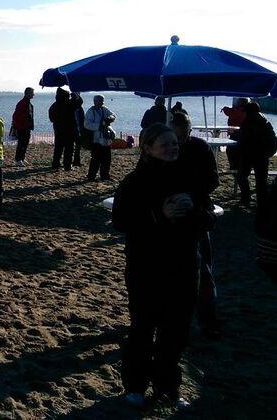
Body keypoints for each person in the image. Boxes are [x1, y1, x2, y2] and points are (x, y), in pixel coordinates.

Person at [111, 123, 215, 411]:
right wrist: (159, 214)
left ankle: (168, 386)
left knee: (176, 332)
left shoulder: (190, 178)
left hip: (183, 265)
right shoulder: (135, 181)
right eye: (165, 144)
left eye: (175, 144)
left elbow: (209, 220)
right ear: (147, 147)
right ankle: (135, 386)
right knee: (142, 329)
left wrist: (193, 210)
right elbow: (121, 221)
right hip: (146, 266)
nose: (172, 148)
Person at [170, 113, 221, 337]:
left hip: (197, 213)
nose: (178, 142)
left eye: (182, 137)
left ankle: (205, 318)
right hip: (172, 214)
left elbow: (213, 180)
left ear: (189, 131)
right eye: (175, 137)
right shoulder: (166, 148)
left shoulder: (200, 148)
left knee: (202, 269)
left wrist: (191, 195)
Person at [237, 101, 276, 207]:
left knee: (257, 181)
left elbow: (272, 141)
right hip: (253, 155)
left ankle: (253, 200)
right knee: (248, 178)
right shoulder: (255, 121)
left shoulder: (261, 123)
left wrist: (267, 153)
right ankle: (250, 199)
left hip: (258, 155)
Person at [84, 95, 116, 181]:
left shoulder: (103, 109)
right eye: (100, 101)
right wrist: (99, 126)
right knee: (95, 160)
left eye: (102, 101)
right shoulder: (90, 112)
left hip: (105, 139)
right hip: (96, 140)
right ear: (95, 102)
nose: (101, 103)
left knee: (107, 159)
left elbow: (113, 115)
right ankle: (91, 176)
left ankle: (105, 175)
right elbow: (86, 124)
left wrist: (110, 118)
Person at [49, 88, 75, 171]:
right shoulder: (69, 104)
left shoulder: (54, 105)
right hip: (69, 130)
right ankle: (67, 165)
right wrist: (75, 95)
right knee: (69, 149)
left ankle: (55, 164)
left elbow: (51, 118)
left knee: (58, 148)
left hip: (58, 129)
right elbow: (79, 102)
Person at [222, 98, 248, 170]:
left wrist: (224, 108)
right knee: (237, 151)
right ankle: (237, 166)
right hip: (243, 134)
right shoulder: (246, 112)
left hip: (236, 133)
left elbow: (228, 112)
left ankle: (234, 167)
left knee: (231, 150)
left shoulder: (236, 111)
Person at [11, 87, 35, 166]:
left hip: (27, 126)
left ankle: (22, 158)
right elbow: (15, 115)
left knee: (25, 143)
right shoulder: (22, 103)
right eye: (32, 93)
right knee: (21, 143)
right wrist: (16, 126)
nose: (33, 94)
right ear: (28, 93)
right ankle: (18, 159)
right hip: (22, 127)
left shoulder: (28, 103)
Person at [71, 92, 84, 167]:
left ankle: (75, 161)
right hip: (75, 129)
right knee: (76, 146)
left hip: (75, 128)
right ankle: (75, 161)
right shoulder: (77, 105)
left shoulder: (72, 105)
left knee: (75, 146)